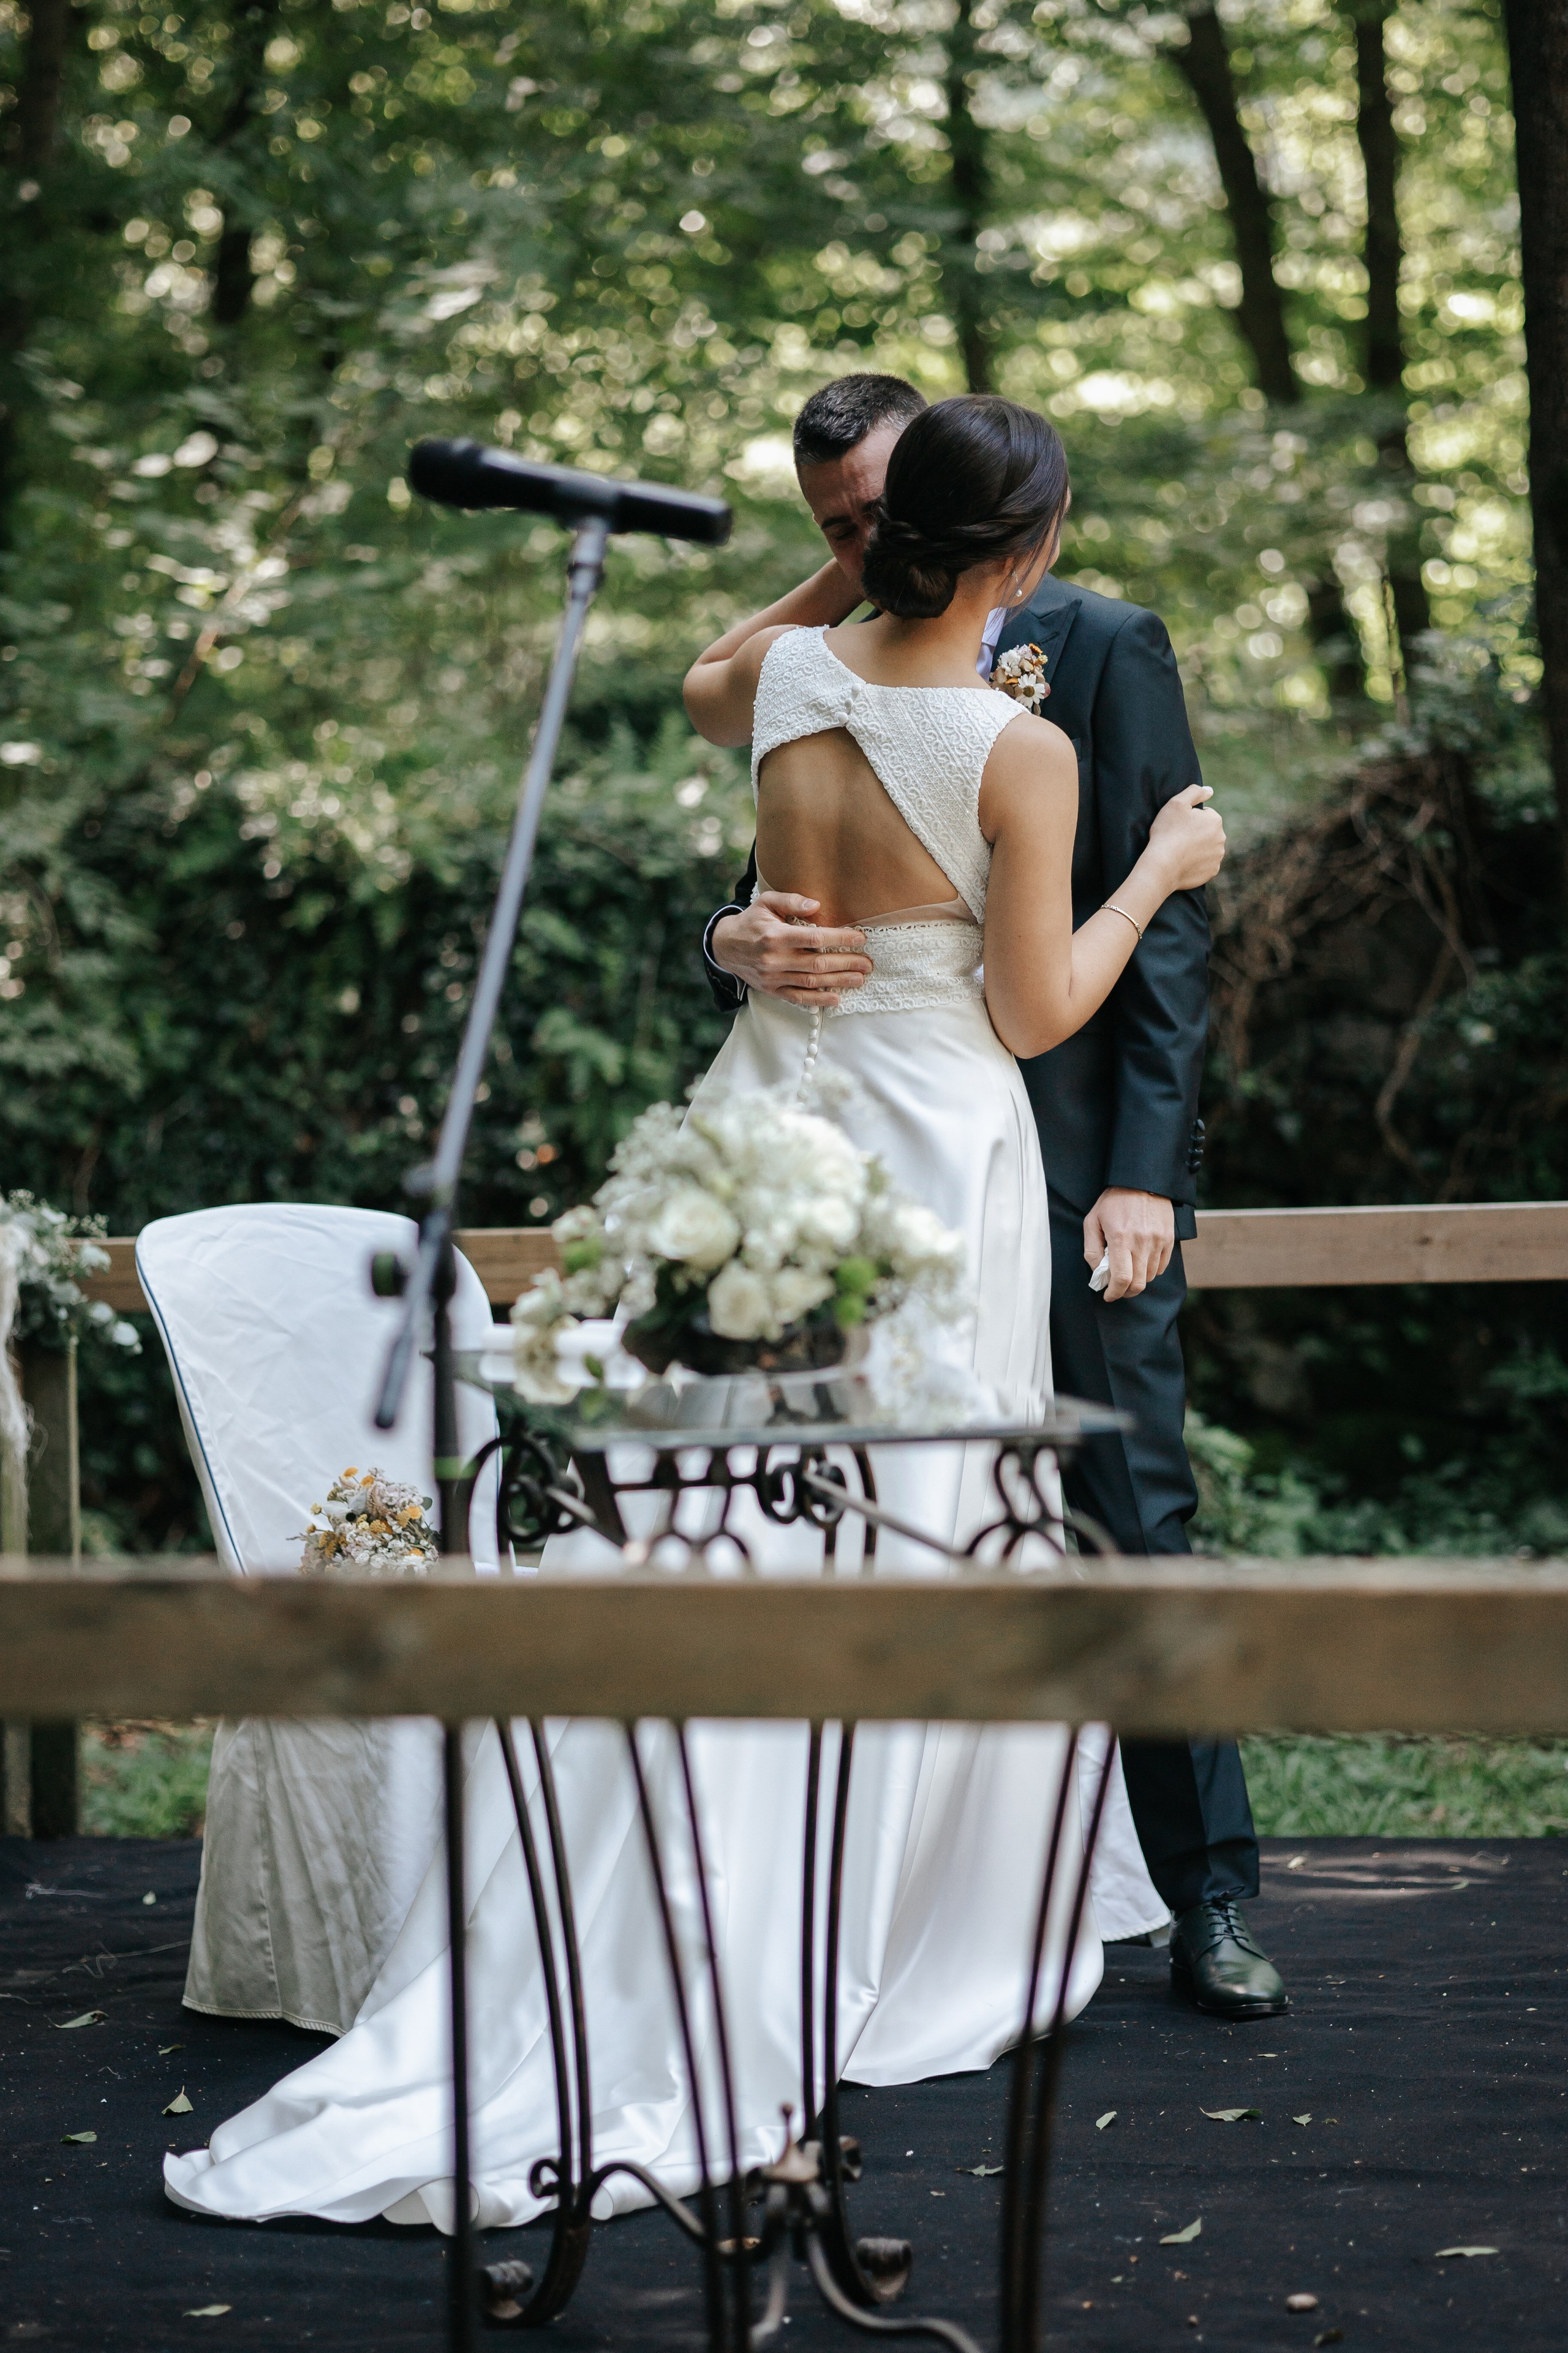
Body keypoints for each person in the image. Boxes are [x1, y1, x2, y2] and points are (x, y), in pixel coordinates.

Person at [163, 395, 1226, 2241]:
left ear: (880, 532)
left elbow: (702, 682)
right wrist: (1164, 868)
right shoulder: (1014, 749)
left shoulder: (799, 681)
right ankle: (875, 1936)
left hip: (764, 1130)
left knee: (725, 1516)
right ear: (1028, 555)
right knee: (923, 1526)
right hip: (927, 1154)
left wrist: (830, 619)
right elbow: (1042, 1008)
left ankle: (676, 1903)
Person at [691, 371, 1287, 2023]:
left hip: (1069, 1168)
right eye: (835, 532)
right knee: (865, 1509)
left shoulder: (1102, 646)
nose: (864, 546)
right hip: (914, 1129)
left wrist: (1146, 1175)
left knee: (1128, 1517)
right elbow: (785, 895)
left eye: (880, 517)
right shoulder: (881, 683)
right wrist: (728, 936)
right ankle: (886, 1900)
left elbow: (1168, 953)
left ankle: (1208, 1897)